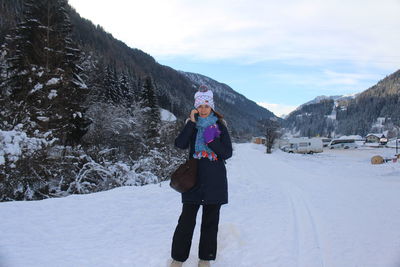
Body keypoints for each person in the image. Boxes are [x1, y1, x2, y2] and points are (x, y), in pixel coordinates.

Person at [170, 85, 233, 267]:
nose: (203, 109)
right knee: (186, 222)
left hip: (215, 181)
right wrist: (190, 123)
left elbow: (227, 153)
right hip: (193, 180)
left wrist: (211, 141)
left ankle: (205, 258)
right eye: (200, 106)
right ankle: (178, 258)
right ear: (195, 107)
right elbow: (180, 144)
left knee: (210, 223)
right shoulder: (192, 125)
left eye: (206, 106)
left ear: (211, 107)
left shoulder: (220, 125)